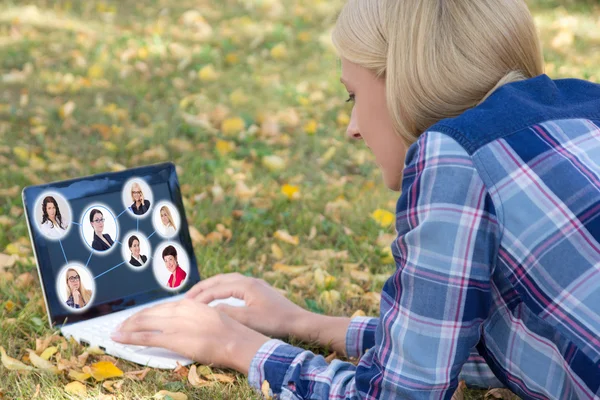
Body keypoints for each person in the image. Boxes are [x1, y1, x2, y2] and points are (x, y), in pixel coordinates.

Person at [112, 1, 600, 399]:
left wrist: (233, 343)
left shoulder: (454, 156)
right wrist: (301, 322)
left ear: (404, 83)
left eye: (352, 96)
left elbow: (398, 395)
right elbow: (524, 346)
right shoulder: (585, 106)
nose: (352, 128)